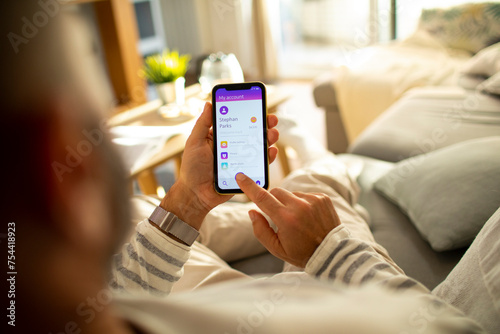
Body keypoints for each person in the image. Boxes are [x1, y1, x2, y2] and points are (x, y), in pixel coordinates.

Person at [3, 2, 484, 334]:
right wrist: (329, 248)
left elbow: (121, 295)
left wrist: (190, 201)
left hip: (165, 270)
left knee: (147, 212)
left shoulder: (68, 301)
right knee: (318, 191)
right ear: (60, 166)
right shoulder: (346, 324)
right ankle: (325, 159)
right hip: (293, 291)